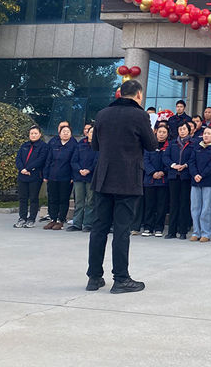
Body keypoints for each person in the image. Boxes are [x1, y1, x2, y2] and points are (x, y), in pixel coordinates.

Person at [87, 79, 156, 294]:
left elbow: (95, 145)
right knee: (121, 230)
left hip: (103, 178)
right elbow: (152, 145)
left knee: (99, 228)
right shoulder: (140, 115)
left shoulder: (102, 114)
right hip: (127, 179)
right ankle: (121, 279)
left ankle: (94, 277)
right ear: (138, 95)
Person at [190, 126, 211, 242]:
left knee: (206, 209)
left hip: (209, 181)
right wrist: (195, 174)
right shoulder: (197, 146)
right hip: (196, 181)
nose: (206, 135)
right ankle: (196, 232)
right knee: (195, 208)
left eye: (208, 133)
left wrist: (202, 175)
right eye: (204, 133)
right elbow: (191, 161)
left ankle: (206, 233)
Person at [163, 121, 194, 240]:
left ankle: (182, 231)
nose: (182, 131)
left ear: (189, 131)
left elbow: (193, 158)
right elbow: (165, 157)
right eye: (180, 129)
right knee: (173, 204)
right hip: (173, 176)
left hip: (186, 176)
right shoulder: (172, 143)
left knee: (184, 204)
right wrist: (173, 165)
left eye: (184, 129)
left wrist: (185, 165)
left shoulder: (193, 144)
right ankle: (171, 231)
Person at [14, 125, 48, 228]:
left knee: (33, 198)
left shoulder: (43, 146)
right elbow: (18, 158)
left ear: (40, 134)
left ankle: (31, 219)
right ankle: (22, 218)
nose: (33, 135)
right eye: (31, 133)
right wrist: (22, 169)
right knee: (22, 198)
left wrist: (28, 169)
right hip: (22, 175)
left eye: (35, 133)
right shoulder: (25, 145)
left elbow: (41, 160)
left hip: (35, 176)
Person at [43, 124, 77, 231]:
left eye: (68, 132)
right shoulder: (54, 144)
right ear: (59, 133)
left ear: (71, 134)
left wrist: (72, 176)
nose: (65, 133)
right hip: (52, 176)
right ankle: (53, 218)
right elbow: (48, 160)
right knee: (52, 199)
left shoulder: (73, 145)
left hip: (66, 177)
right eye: (63, 131)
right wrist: (45, 174)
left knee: (63, 199)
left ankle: (60, 220)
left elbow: (74, 161)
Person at [142, 124, 169, 237]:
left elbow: (169, 161)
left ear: (167, 134)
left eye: (164, 132)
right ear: (156, 132)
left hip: (163, 180)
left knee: (161, 206)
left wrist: (163, 172)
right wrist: (153, 172)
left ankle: (159, 228)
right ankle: (148, 227)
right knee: (149, 205)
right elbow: (145, 160)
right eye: (160, 132)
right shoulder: (149, 145)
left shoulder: (169, 146)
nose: (161, 134)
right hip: (150, 180)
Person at [70, 123, 97, 231]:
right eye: (91, 132)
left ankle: (88, 224)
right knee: (79, 201)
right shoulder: (80, 145)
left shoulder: (99, 146)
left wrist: (89, 170)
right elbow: (74, 160)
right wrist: (79, 170)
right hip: (79, 176)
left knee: (90, 201)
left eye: (94, 132)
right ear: (87, 133)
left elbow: (97, 161)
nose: (92, 134)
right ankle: (77, 223)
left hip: (91, 177)